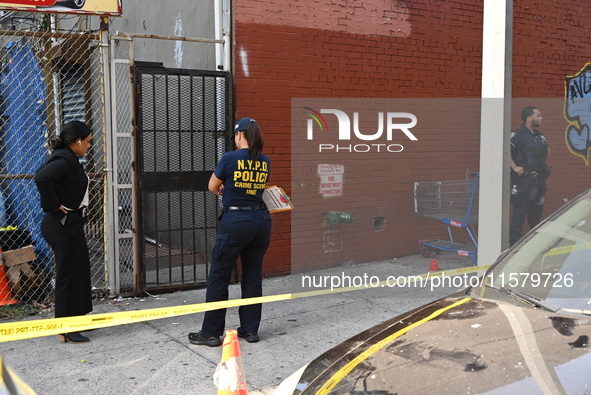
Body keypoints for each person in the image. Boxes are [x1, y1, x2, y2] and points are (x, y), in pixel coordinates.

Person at [188, 117, 272, 347]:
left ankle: (211, 333)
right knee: (253, 277)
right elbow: (253, 187)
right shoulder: (264, 161)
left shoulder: (230, 158)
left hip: (236, 220)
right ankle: (251, 330)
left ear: (239, 134)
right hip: (261, 220)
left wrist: (226, 188)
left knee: (219, 276)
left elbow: (213, 186)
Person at [35, 121, 93, 343]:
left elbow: (43, 173)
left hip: (70, 224)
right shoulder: (65, 159)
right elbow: (42, 177)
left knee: (79, 269)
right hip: (61, 224)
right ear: (77, 141)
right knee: (68, 275)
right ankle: (65, 328)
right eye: (87, 142)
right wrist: (53, 204)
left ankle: (77, 320)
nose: (89, 146)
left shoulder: (66, 157)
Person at [509, 106, 551, 246]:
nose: (541, 118)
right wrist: (515, 167)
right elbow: (505, 151)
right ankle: (514, 243)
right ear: (529, 118)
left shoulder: (539, 135)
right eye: (538, 115)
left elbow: (547, 152)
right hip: (524, 180)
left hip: (539, 180)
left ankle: (534, 243)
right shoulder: (518, 135)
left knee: (536, 212)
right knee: (520, 211)